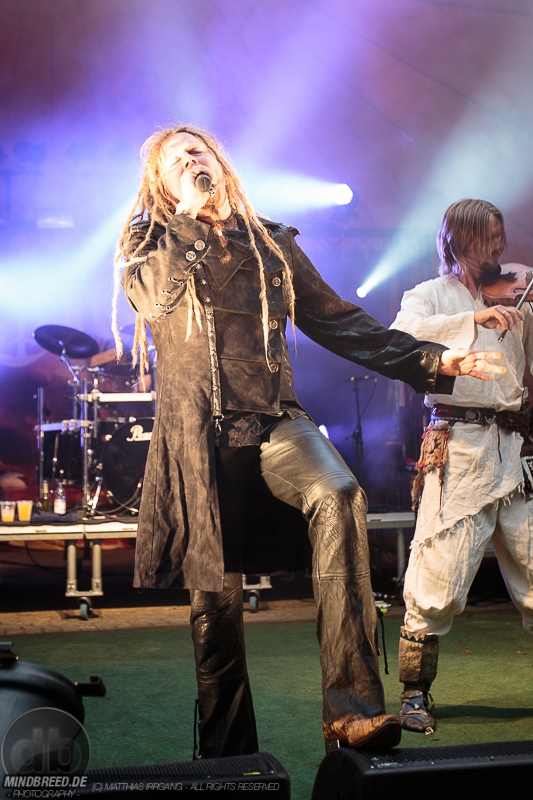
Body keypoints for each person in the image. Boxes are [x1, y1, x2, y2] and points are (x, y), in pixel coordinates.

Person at [113, 129, 504, 756]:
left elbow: (339, 321)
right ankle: (227, 757)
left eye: (198, 150)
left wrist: (433, 360)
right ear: (161, 184)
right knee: (215, 608)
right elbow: (156, 301)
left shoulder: (271, 242)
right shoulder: (149, 243)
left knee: (339, 493)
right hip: (199, 437)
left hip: (274, 419)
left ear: (220, 162)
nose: (190, 159)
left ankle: (352, 714)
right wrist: (185, 220)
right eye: (175, 159)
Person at [390, 198, 533, 734]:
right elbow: (401, 339)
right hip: (460, 447)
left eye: (500, 235)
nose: (498, 246)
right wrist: (473, 317)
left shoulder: (517, 291)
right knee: (439, 576)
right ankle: (414, 693)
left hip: (515, 448)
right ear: (457, 238)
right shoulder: (428, 294)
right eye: (486, 236)